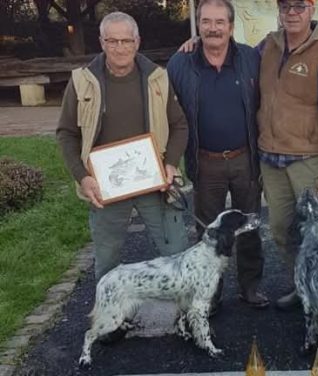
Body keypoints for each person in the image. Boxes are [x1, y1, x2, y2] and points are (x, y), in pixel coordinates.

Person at [56, 11, 189, 281]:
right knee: (107, 261)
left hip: (153, 182)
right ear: (102, 42)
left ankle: (185, 317)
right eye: (112, 41)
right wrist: (82, 177)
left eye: (126, 41)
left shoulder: (158, 78)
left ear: (137, 42)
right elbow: (66, 133)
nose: (120, 48)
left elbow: (180, 126)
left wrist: (171, 163)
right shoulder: (82, 81)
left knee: (176, 252)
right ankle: (110, 321)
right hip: (106, 186)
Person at [167, 0, 268, 310]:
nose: (213, 28)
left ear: (231, 26)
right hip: (205, 160)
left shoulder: (251, 58)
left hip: (244, 159)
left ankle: (250, 286)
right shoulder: (180, 63)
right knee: (207, 232)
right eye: (206, 22)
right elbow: (168, 114)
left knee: (249, 227)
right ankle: (211, 291)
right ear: (198, 26)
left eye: (219, 22)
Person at [257, 0, 318, 309]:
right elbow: (229, 57)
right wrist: (196, 40)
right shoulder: (266, 47)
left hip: (308, 161)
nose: (291, 13)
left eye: (299, 6)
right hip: (271, 159)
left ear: (312, 10)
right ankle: (302, 288)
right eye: (285, 6)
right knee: (282, 231)